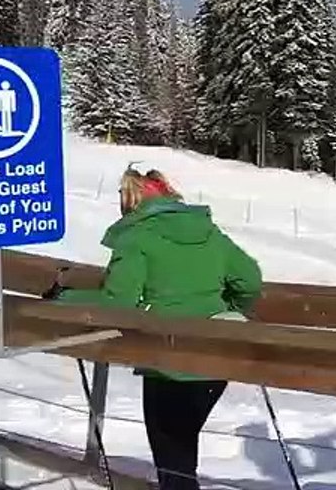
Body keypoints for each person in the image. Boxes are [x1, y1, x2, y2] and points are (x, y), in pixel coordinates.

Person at [46, 167, 262, 490]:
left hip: (168, 357)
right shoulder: (208, 230)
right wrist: (226, 310)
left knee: (171, 452)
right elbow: (250, 280)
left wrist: (64, 299)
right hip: (216, 354)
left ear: (131, 199)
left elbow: (118, 304)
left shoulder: (137, 236)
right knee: (182, 444)